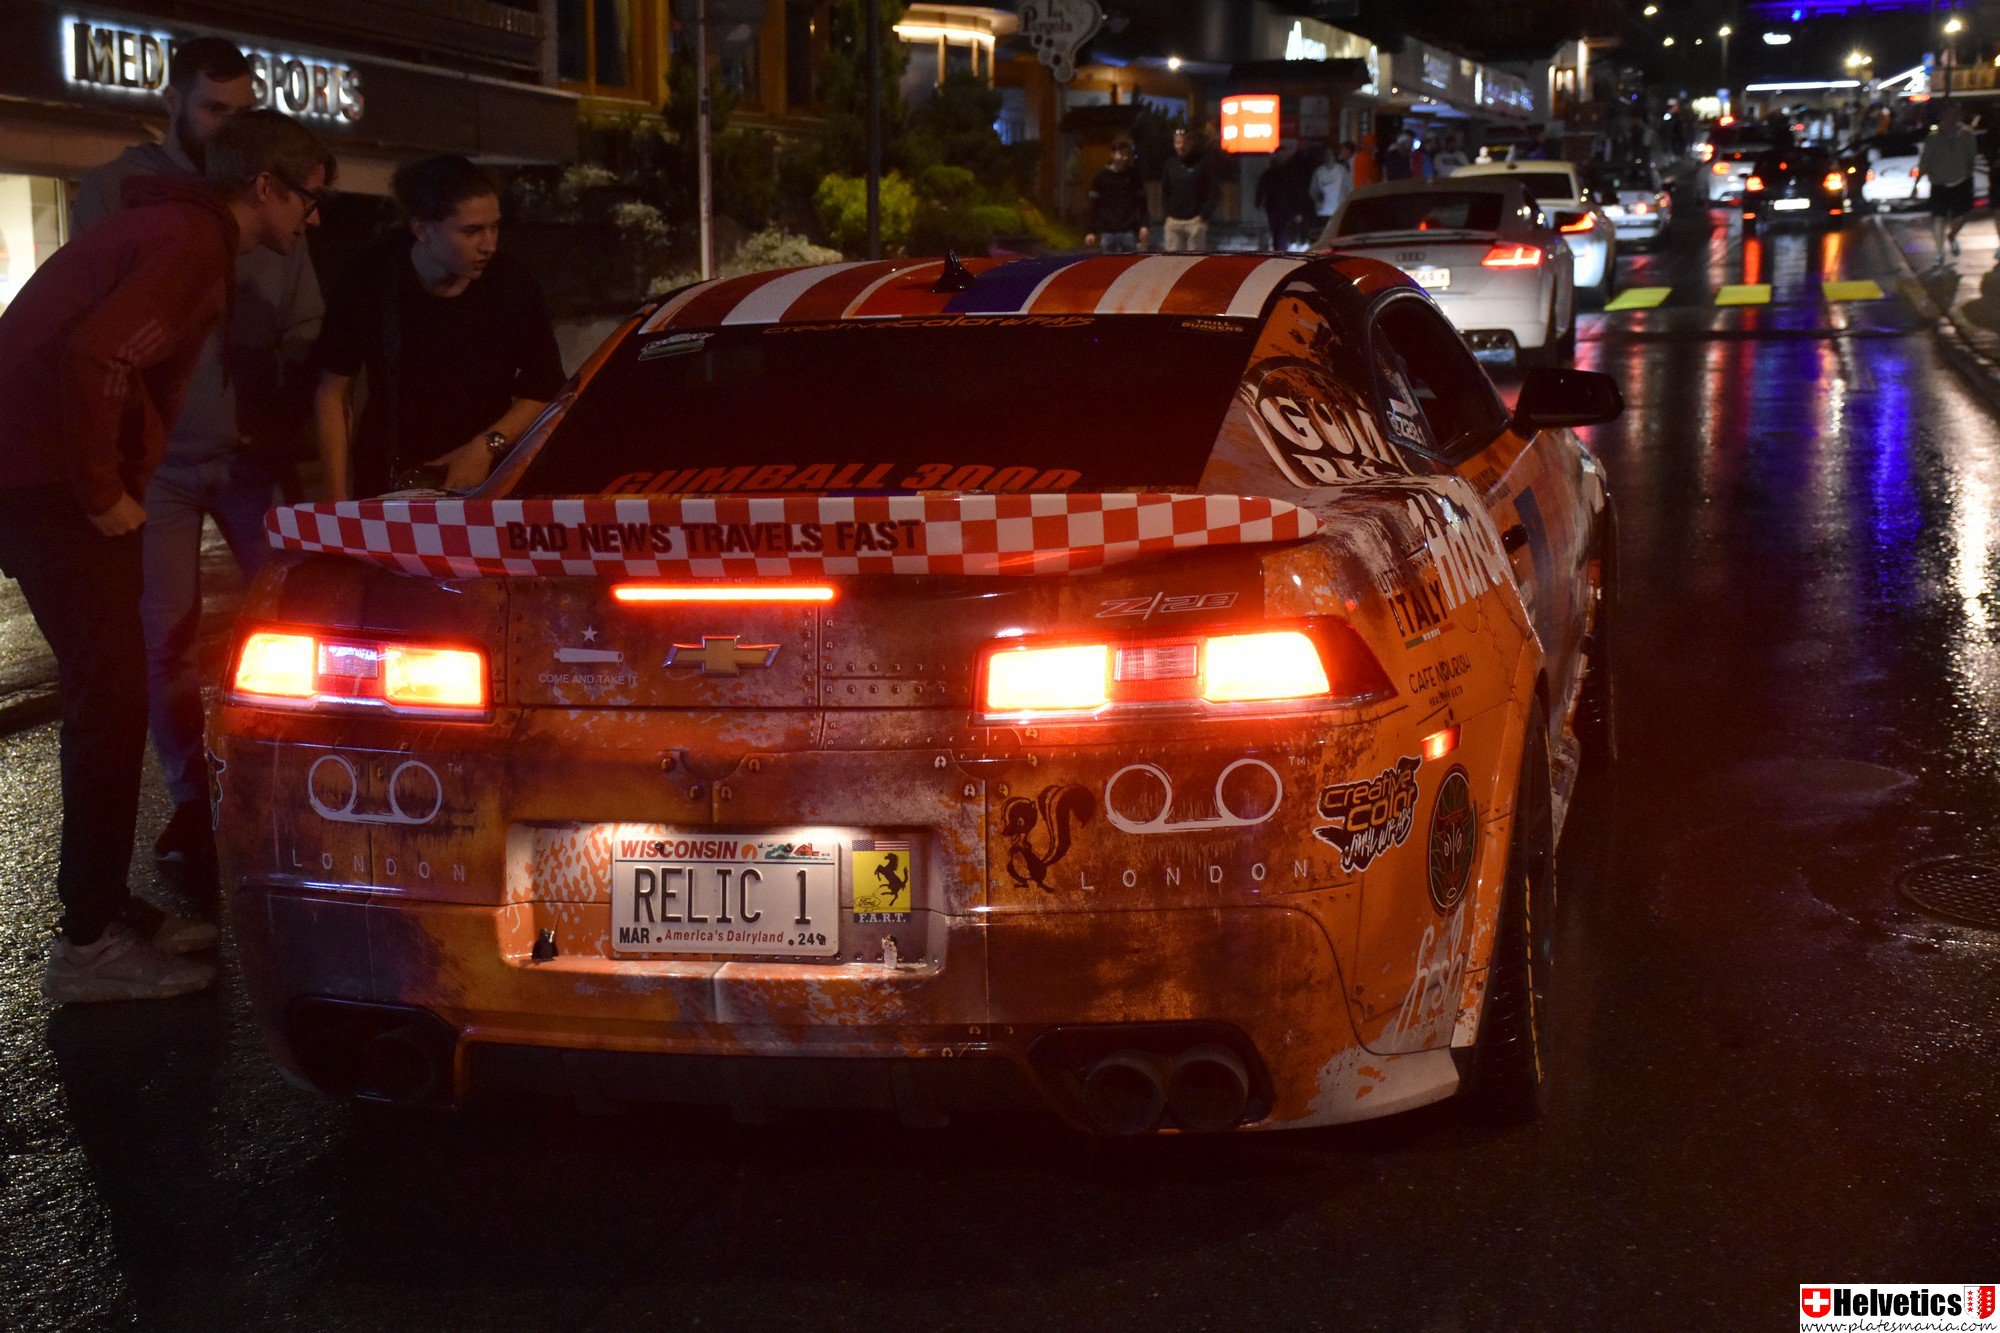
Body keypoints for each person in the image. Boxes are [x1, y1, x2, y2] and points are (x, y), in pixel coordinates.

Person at [0, 110, 331, 1002]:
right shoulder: (192, 242)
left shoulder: (167, 223)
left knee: (107, 694)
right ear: (264, 186)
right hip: (45, 482)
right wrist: (104, 487)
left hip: (29, 470)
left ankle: (102, 908)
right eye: (308, 196)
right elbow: (99, 355)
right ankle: (86, 944)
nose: (312, 218)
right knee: (108, 699)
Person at [76, 37, 326, 876]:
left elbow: (303, 321)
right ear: (174, 100)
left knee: (301, 620)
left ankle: (292, 787)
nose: (228, 126)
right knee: (164, 639)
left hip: (250, 454)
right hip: (167, 462)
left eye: (241, 113)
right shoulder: (121, 190)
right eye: (215, 109)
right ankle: (195, 800)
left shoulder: (267, 196)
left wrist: (277, 403)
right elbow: (99, 328)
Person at [316, 156, 566, 500]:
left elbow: (545, 385)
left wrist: (485, 447)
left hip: (487, 473)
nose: (489, 245)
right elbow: (332, 392)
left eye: (494, 227)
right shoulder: (370, 279)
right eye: (471, 231)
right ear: (422, 230)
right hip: (392, 476)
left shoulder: (512, 283)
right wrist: (336, 499)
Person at [1916, 103, 1980, 262]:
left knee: (1962, 216)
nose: (1952, 116)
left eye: (1955, 113)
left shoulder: (1966, 134)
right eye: (1949, 113)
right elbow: (1925, 161)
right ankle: (1939, 253)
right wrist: (1916, 184)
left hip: (1961, 181)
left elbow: (1971, 158)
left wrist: (1968, 175)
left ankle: (1952, 235)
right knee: (1938, 217)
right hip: (1939, 182)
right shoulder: (1934, 135)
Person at [1083, 135, 1149, 253]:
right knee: (1109, 267)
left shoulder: (1134, 176)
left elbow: (1142, 203)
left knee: (1131, 266)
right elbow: (1094, 205)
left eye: (1126, 154)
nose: (1124, 158)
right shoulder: (1101, 177)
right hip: (1108, 231)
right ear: (1113, 154)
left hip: (1128, 230)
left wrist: (1144, 225)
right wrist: (1091, 231)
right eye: (1121, 154)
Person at [1159, 127, 1218, 253]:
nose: (1182, 146)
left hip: (1195, 222)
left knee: (1195, 262)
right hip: (1174, 222)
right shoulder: (1170, 164)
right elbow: (1165, 192)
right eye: (1178, 143)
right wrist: (1167, 215)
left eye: (1185, 142)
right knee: (1172, 263)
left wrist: (1203, 216)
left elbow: (1214, 191)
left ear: (1191, 143)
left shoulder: (1203, 164)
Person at [1256, 144, 1312, 250]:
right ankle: (1280, 251)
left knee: (1282, 232)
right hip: (1274, 207)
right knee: (1277, 232)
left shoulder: (1288, 172)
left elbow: (1295, 192)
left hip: (1285, 208)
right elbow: (1262, 188)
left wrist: (1297, 209)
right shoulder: (1271, 173)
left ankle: (1280, 251)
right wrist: (1259, 201)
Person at [1310, 143, 1353, 233]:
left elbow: (1349, 188)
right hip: (1323, 212)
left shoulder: (1341, 170)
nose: (1328, 157)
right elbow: (1313, 191)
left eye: (1330, 154)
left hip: (1338, 210)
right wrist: (1317, 197)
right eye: (1326, 154)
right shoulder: (1319, 172)